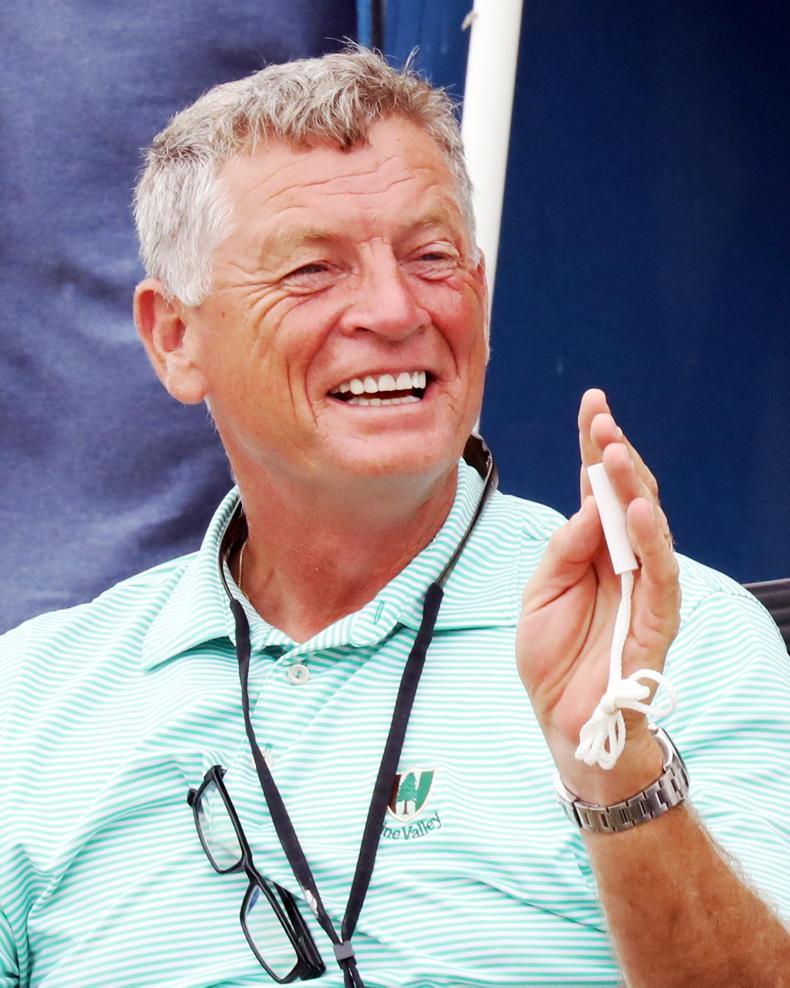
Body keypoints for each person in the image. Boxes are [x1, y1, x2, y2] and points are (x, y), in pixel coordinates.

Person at [1, 47, 788, 987]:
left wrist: (614, 765)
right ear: (176, 338)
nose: (393, 309)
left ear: (481, 297)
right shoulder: (31, 706)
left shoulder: (678, 644)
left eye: (431, 258)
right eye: (313, 269)